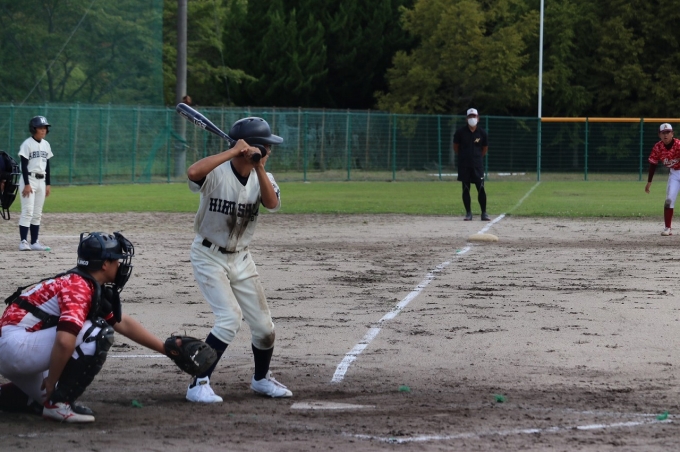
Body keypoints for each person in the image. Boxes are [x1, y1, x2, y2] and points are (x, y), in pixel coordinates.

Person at [0, 231, 168, 423]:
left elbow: (122, 323)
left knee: (42, 398)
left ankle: (17, 396)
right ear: (104, 264)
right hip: (16, 347)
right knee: (96, 332)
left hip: (15, 347)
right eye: (116, 260)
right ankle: (59, 405)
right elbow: (64, 341)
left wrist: (166, 350)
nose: (120, 265)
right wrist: (51, 381)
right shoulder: (79, 288)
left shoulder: (83, 282)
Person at [185, 116, 291, 403]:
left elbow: (271, 204)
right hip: (209, 255)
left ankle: (261, 379)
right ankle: (198, 383)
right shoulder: (217, 172)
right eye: (267, 146)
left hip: (242, 259)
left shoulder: (264, 177)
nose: (270, 151)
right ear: (252, 146)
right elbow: (193, 172)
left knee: (264, 328)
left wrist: (259, 166)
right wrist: (233, 151)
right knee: (230, 318)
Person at [18, 116, 54, 251]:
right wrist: (27, 184)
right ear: (34, 129)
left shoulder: (46, 145)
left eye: (45, 128)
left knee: (37, 213)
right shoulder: (27, 144)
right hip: (29, 180)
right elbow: (24, 165)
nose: (43, 130)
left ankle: (34, 242)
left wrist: (48, 184)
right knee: (28, 210)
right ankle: (23, 241)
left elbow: (47, 165)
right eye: (40, 128)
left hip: (41, 181)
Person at [453, 108, 490, 221]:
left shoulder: (482, 133)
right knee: (465, 188)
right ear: (466, 119)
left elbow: (485, 148)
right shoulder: (460, 132)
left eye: (474, 116)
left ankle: (484, 213)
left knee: (481, 188)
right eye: (470, 116)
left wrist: (477, 157)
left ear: (478, 118)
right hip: (464, 165)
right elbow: (456, 147)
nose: (472, 118)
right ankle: (468, 213)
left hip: (477, 165)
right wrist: (464, 156)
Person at [645, 123, 680, 236]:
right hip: (674, 174)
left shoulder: (678, 145)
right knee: (669, 200)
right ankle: (667, 228)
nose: (666, 135)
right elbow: (653, 164)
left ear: (672, 133)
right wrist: (649, 182)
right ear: (659, 135)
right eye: (663, 133)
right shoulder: (658, 147)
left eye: (668, 132)